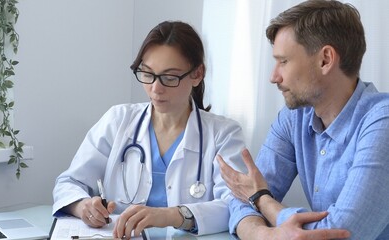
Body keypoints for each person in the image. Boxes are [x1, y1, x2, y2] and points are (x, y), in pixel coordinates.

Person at [52, 20, 248, 239]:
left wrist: (170, 216)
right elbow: (69, 183)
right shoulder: (118, 120)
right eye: (147, 74)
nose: (155, 89)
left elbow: (236, 205)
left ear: (197, 74)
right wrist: (83, 206)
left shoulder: (223, 134)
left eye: (169, 77)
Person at [217, 0, 389, 239]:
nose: (273, 77)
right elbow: (239, 202)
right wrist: (264, 235)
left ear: (325, 60)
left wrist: (262, 200)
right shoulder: (294, 117)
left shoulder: (383, 121)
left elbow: (343, 233)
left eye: (283, 61)